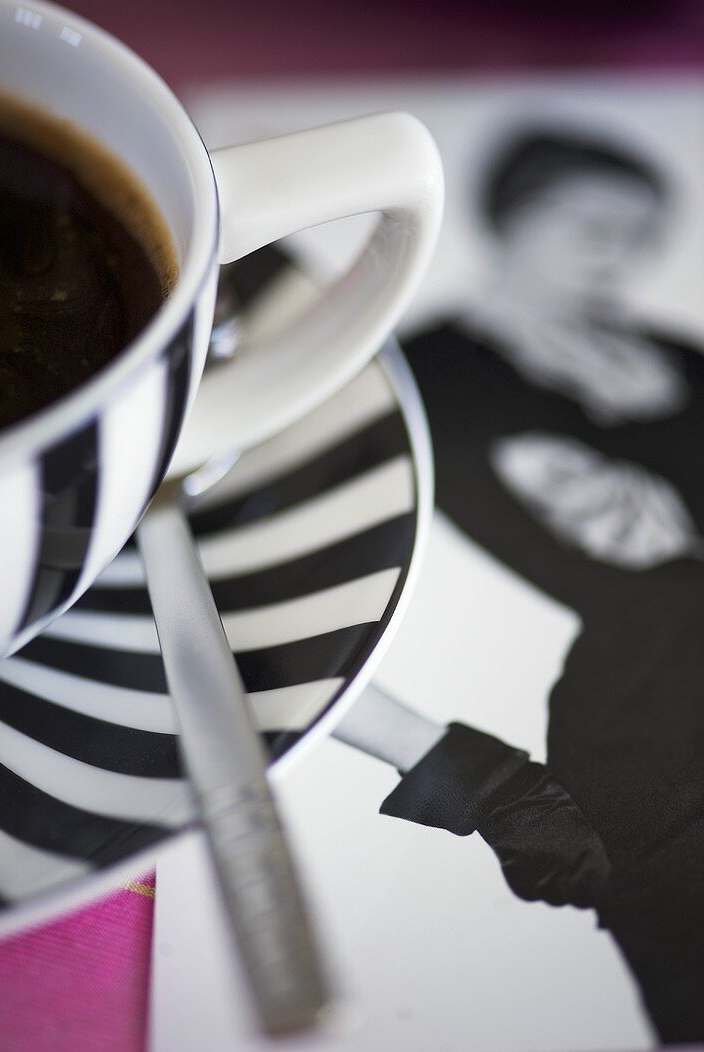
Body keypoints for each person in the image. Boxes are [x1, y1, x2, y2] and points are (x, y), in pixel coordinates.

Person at [335, 128, 704, 1044]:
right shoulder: (426, 370)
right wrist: (476, 784)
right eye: (589, 224)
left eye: (640, 232)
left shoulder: (673, 358)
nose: (616, 253)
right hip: (651, 714)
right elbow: (627, 544)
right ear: (508, 220)